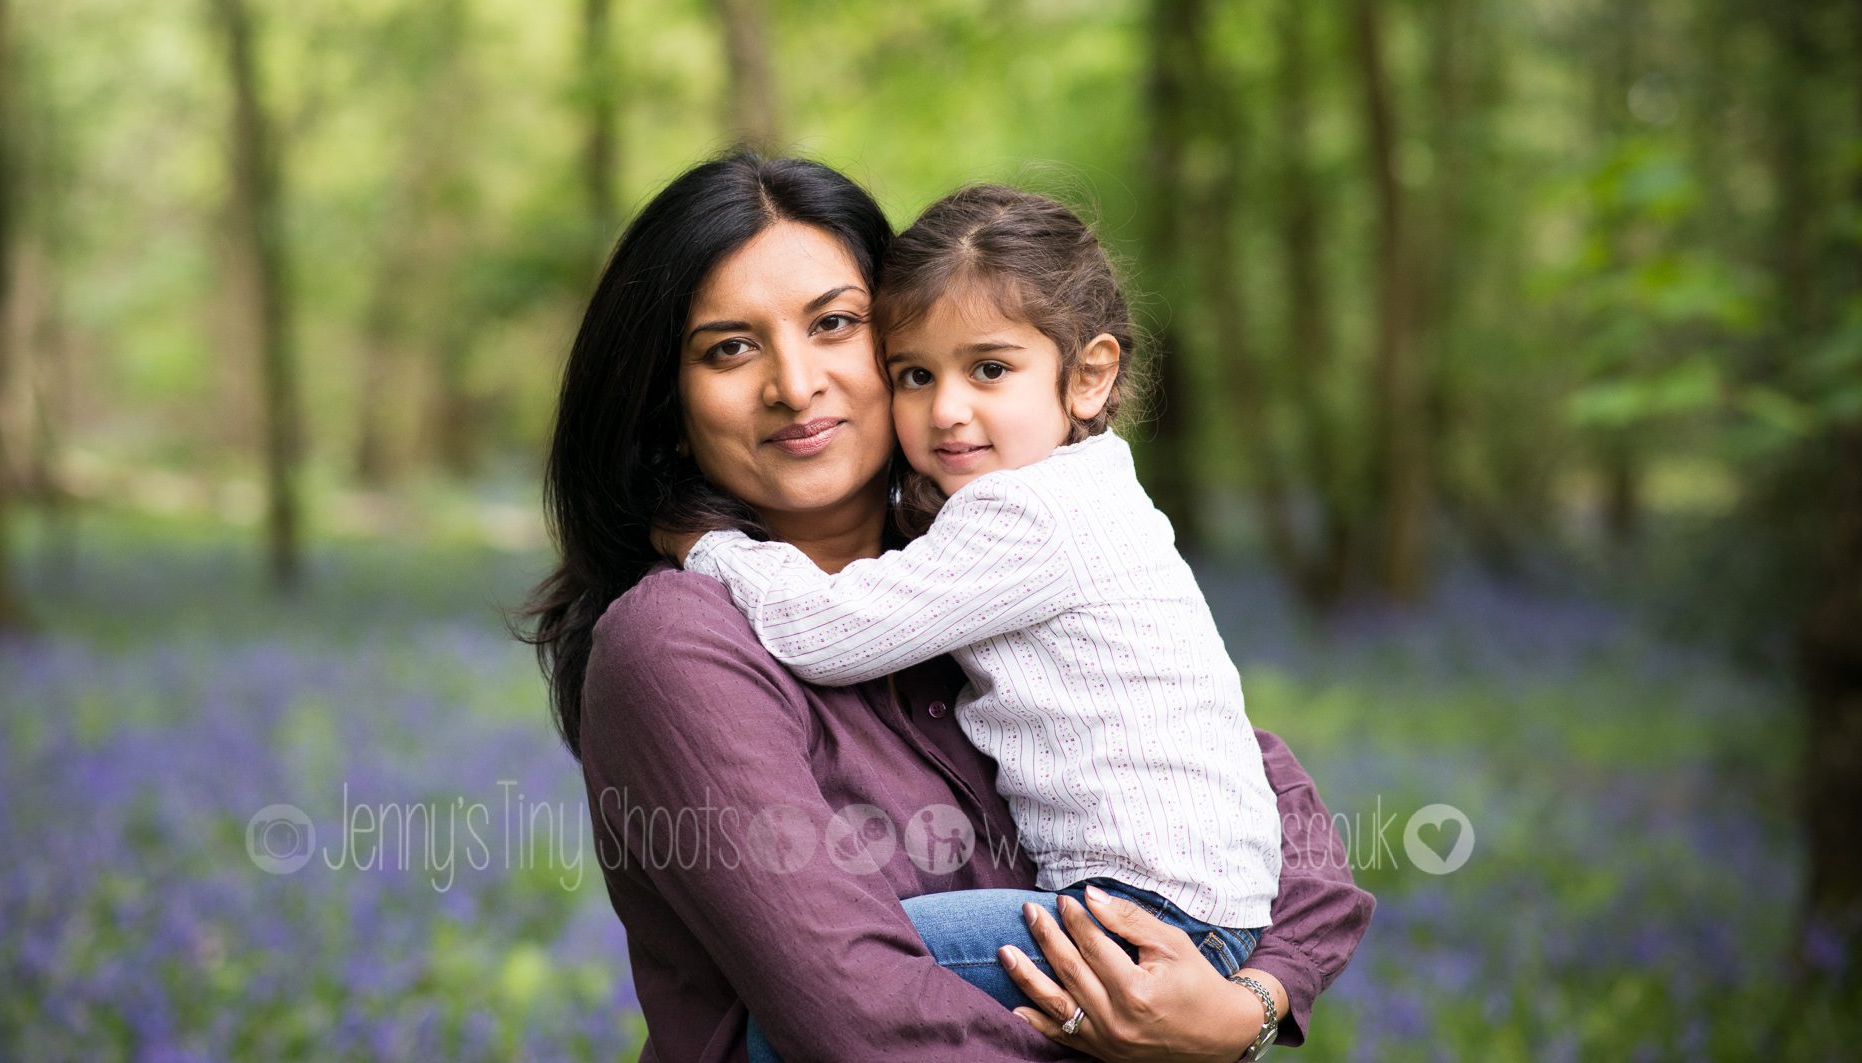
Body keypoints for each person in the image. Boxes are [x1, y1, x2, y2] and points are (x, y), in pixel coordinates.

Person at [519, 152, 1373, 1062]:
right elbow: (863, 1018)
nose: (795, 383)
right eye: (730, 347)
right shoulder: (678, 640)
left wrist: (1247, 1009)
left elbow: (1276, 812)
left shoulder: (978, 568)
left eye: (835, 324)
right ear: (667, 399)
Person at [664, 186, 1279, 1058]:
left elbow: (827, 632)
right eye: (916, 374)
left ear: (1089, 374)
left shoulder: (1027, 515)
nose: (947, 408)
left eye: (988, 370)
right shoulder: (1093, 493)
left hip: (1139, 916)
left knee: (789, 1025)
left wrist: (711, 550)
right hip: (1196, 910)